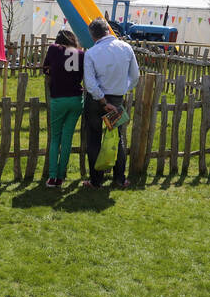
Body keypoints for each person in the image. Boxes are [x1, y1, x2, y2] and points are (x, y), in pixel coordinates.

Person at [81, 17, 139, 188]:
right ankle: (120, 179)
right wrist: (121, 90)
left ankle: (96, 181)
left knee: (94, 139)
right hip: (116, 99)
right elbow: (135, 77)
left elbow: (90, 83)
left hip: (96, 101)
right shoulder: (126, 48)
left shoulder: (91, 53)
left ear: (92, 36)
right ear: (108, 29)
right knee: (117, 138)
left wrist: (103, 100)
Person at [41, 29, 85, 188]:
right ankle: (61, 176)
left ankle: (52, 177)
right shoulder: (81, 54)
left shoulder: (53, 49)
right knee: (67, 139)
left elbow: (44, 69)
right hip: (75, 99)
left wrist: (55, 72)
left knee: (55, 138)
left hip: (58, 98)